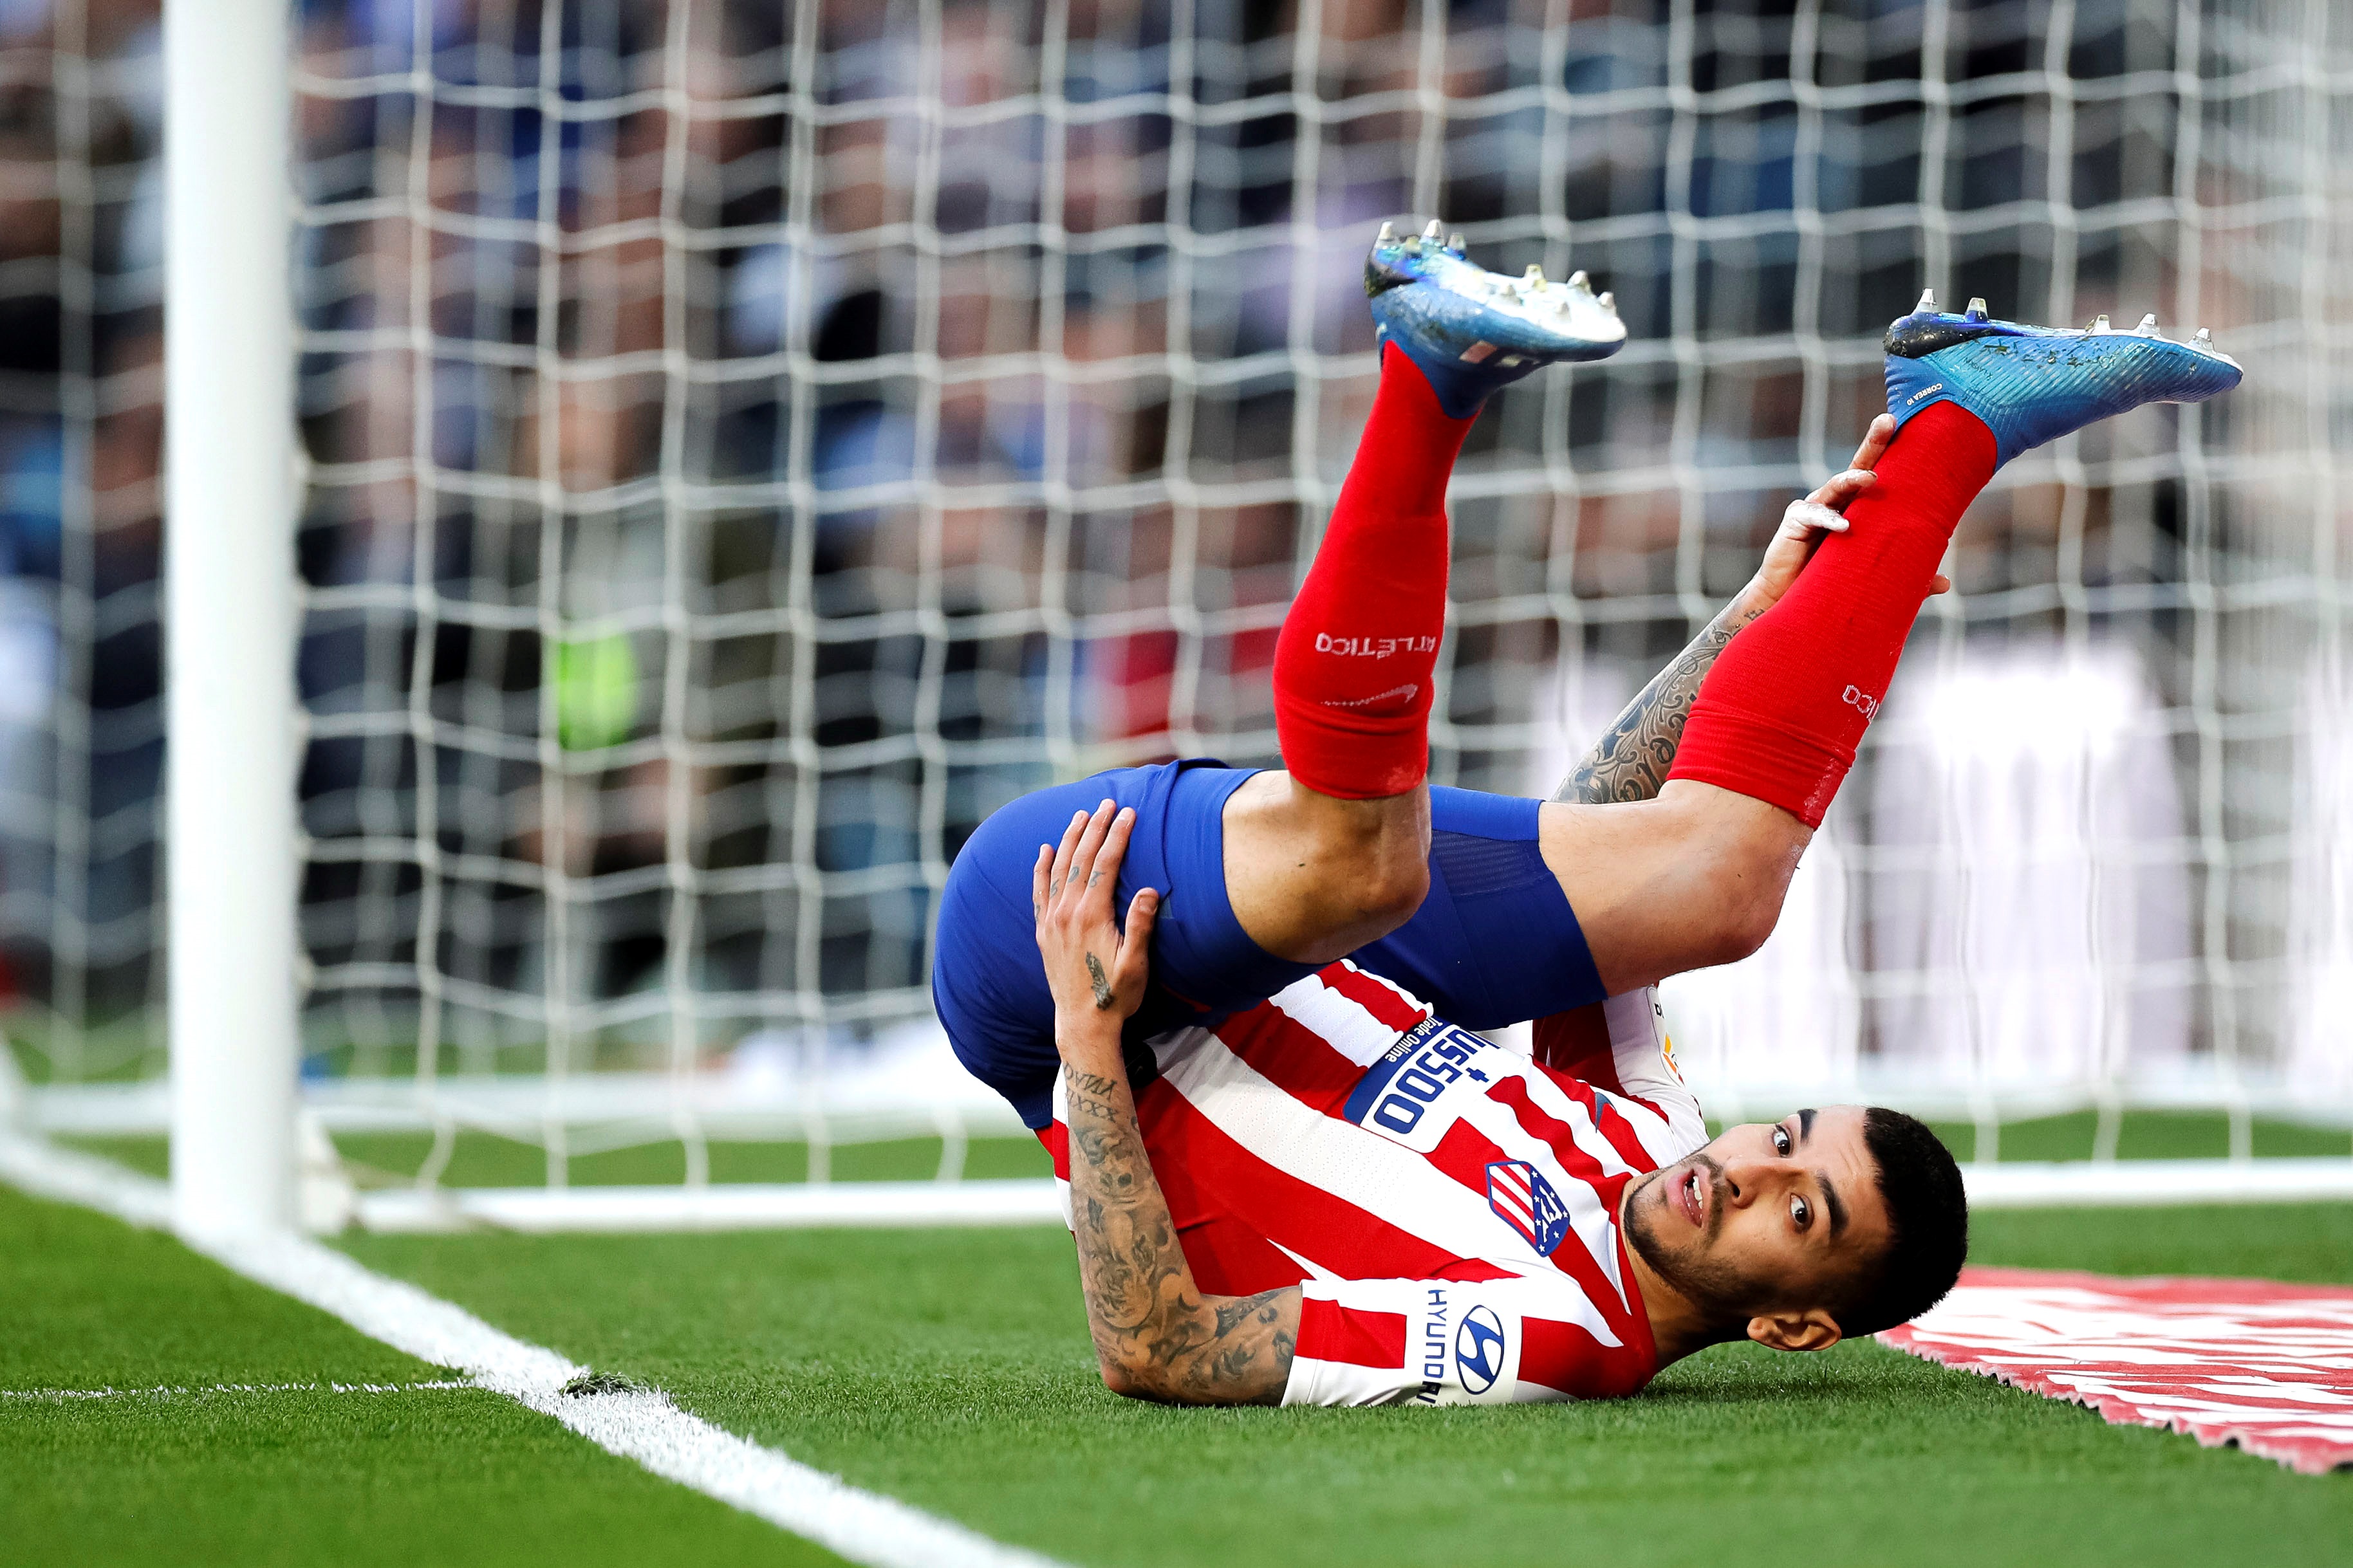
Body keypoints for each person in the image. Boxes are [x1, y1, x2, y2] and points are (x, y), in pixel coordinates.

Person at [941, 221, 2244, 1406]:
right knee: (1682, 894)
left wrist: (1090, 1050)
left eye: (1801, 1213)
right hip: (1247, 920)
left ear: (1795, 1325)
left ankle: (1443, 377)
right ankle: (1942, 426)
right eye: (1787, 1141)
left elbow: (1163, 1348)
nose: (1751, 1171)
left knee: (1395, 873)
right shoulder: (1640, 1126)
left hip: (1073, 961)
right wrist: (1747, 622)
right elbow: (1584, 849)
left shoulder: (1553, 1330)